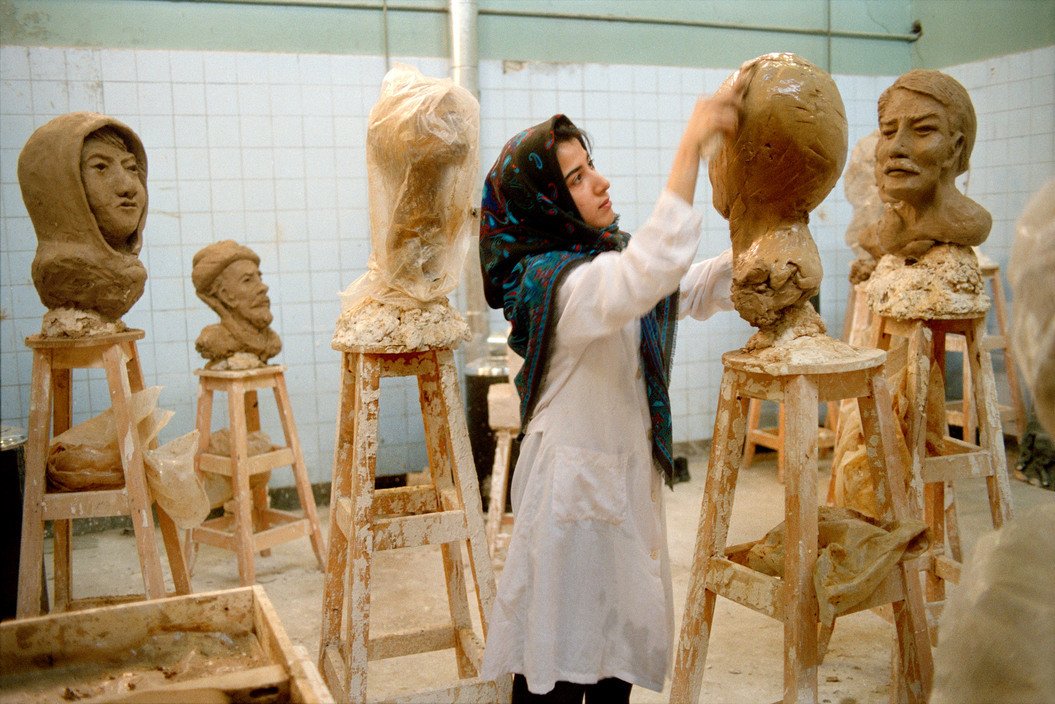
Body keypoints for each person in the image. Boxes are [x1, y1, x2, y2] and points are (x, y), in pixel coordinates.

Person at [477, 82, 742, 702]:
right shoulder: (552, 286)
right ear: (542, 203)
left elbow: (676, 285)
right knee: (561, 669)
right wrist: (691, 149)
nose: (599, 182)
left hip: (613, 489)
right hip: (571, 500)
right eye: (574, 178)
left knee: (613, 658)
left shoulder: (602, 259)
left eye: (590, 165)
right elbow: (645, 274)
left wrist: (756, 255)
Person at [19, 112, 149, 330]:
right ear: (61, 186)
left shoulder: (130, 276)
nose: (127, 187)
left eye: (131, 168)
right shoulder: (63, 276)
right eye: (100, 167)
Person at [874, 69, 990, 258]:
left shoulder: (970, 221)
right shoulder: (891, 227)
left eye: (923, 129)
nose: (896, 148)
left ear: (956, 147)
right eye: (888, 132)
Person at [191, 240, 281, 369]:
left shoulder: (271, 341)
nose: (263, 287)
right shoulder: (214, 340)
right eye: (248, 280)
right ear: (225, 296)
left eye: (259, 278)